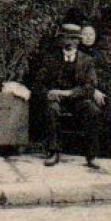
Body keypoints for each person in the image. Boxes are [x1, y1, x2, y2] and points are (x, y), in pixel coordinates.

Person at [31, 23, 104, 169]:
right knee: (52, 109)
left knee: (93, 111)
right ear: (61, 40)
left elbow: (90, 86)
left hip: (77, 99)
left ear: (78, 41)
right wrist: (48, 93)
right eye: (66, 38)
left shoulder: (86, 60)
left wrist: (69, 93)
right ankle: (53, 152)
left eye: (73, 39)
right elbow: (38, 84)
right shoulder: (50, 59)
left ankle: (91, 156)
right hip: (56, 99)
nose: (69, 42)